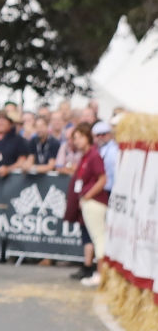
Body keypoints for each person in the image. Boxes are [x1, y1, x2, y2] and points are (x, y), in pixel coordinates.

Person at [63, 122, 108, 284]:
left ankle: (100, 274)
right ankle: (97, 272)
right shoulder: (86, 156)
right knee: (94, 237)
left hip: (94, 201)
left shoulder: (94, 156)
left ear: (87, 137)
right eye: (74, 138)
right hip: (88, 201)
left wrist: (88, 195)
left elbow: (103, 179)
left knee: (98, 238)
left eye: (79, 138)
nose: (76, 141)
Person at [94, 120, 119, 196]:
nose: (100, 137)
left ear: (110, 134)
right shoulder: (98, 148)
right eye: (98, 135)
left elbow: (113, 171)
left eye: (104, 134)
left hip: (108, 188)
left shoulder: (113, 150)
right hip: (100, 187)